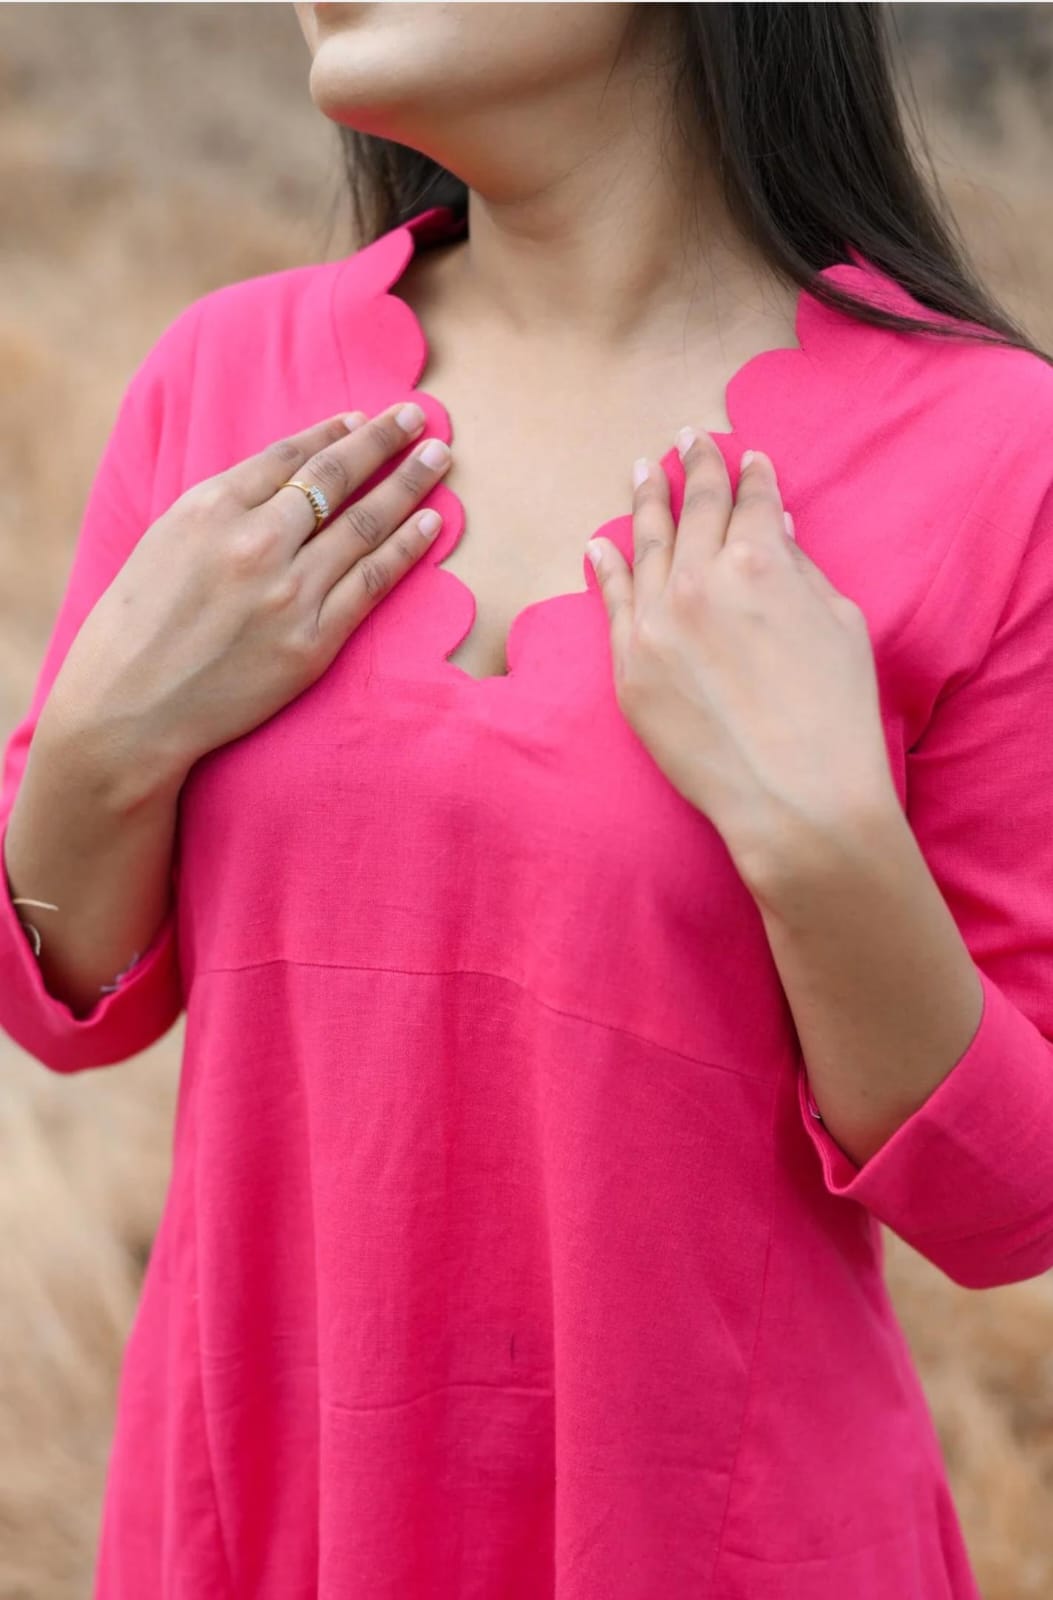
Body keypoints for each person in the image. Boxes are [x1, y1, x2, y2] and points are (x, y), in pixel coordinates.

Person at [2, 4, 1052, 1595]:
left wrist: (823, 846)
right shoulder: (227, 380)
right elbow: (67, 1002)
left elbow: (1008, 1211)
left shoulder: (993, 460)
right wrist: (98, 745)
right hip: (251, 1535)